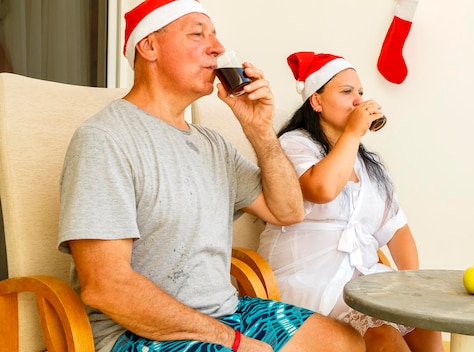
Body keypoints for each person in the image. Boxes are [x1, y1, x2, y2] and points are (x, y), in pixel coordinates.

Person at [57, 1, 365, 352]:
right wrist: (234, 342)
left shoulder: (212, 145)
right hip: (138, 333)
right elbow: (106, 287)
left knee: (344, 342)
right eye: (197, 34)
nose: (217, 47)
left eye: (215, 34)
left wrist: (260, 130)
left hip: (226, 313)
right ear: (149, 46)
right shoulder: (105, 139)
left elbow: (288, 212)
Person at [257, 51, 444, 352]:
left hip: (364, 279)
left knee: (428, 322)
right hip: (309, 278)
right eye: (346, 92)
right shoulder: (293, 144)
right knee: (383, 334)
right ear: (316, 101)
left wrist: (414, 286)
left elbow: (397, 231)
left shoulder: (369, 165)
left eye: (360, 92)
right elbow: (322, 189)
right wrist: (355, 132)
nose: (358, 100)